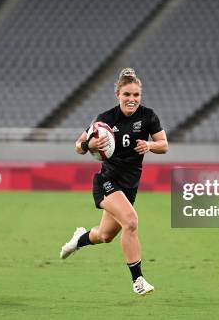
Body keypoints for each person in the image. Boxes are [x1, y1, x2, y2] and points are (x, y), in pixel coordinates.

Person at [59, 68, 168, 296]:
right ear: (118, 94)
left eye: (136, 95)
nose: (132, 99)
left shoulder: (148, 116)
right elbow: (78, 145)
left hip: (129, 186)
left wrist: (149, 146)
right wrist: (89, 145)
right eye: (127, 94)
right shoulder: (105, 119)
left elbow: (164, 145)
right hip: (107, 181)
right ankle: (138, 280)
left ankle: (79, 239)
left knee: (105, 236)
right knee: (131, 221)